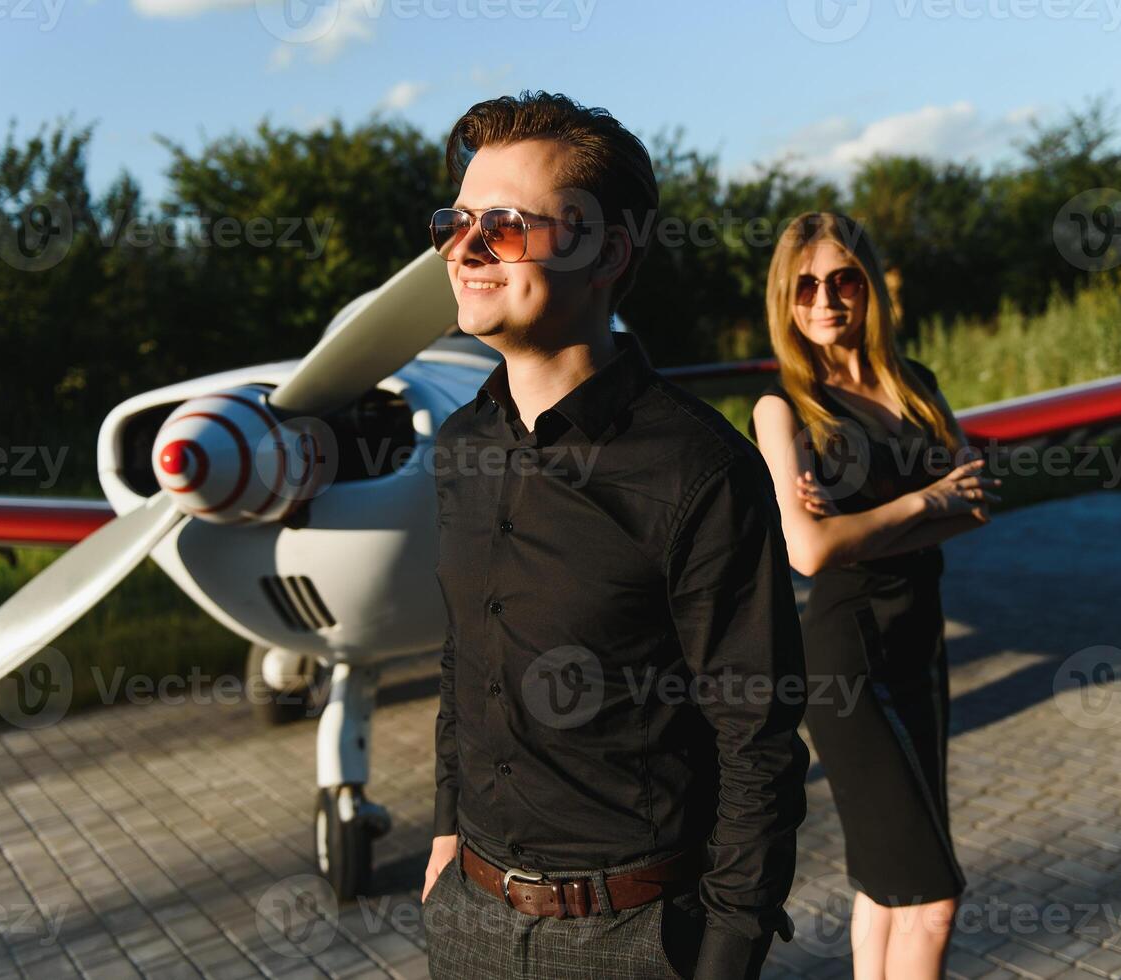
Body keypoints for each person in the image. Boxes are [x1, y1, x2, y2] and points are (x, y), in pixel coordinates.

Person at [419, 90, 810, 980]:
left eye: (505, 226)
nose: (463, 249)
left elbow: (759, 743)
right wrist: (446, 834)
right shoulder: (459, 449)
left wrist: (726, 955)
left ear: (609, 250)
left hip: (629, 939)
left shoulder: (700, 472)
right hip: (468, 917)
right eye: (456, 220)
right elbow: (461, 659)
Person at [748, 211, 999, 979]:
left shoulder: (916, 385)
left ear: (871, 287)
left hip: (921, 647)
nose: (825, 300)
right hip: (847, 660)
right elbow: (811, 551)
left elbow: (980, 503)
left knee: (887, 884)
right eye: (805, 287)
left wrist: (866, 522)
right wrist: (926, 502)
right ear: (786, 302)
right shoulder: (782, 409)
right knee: (932, 895)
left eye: (843, 279)